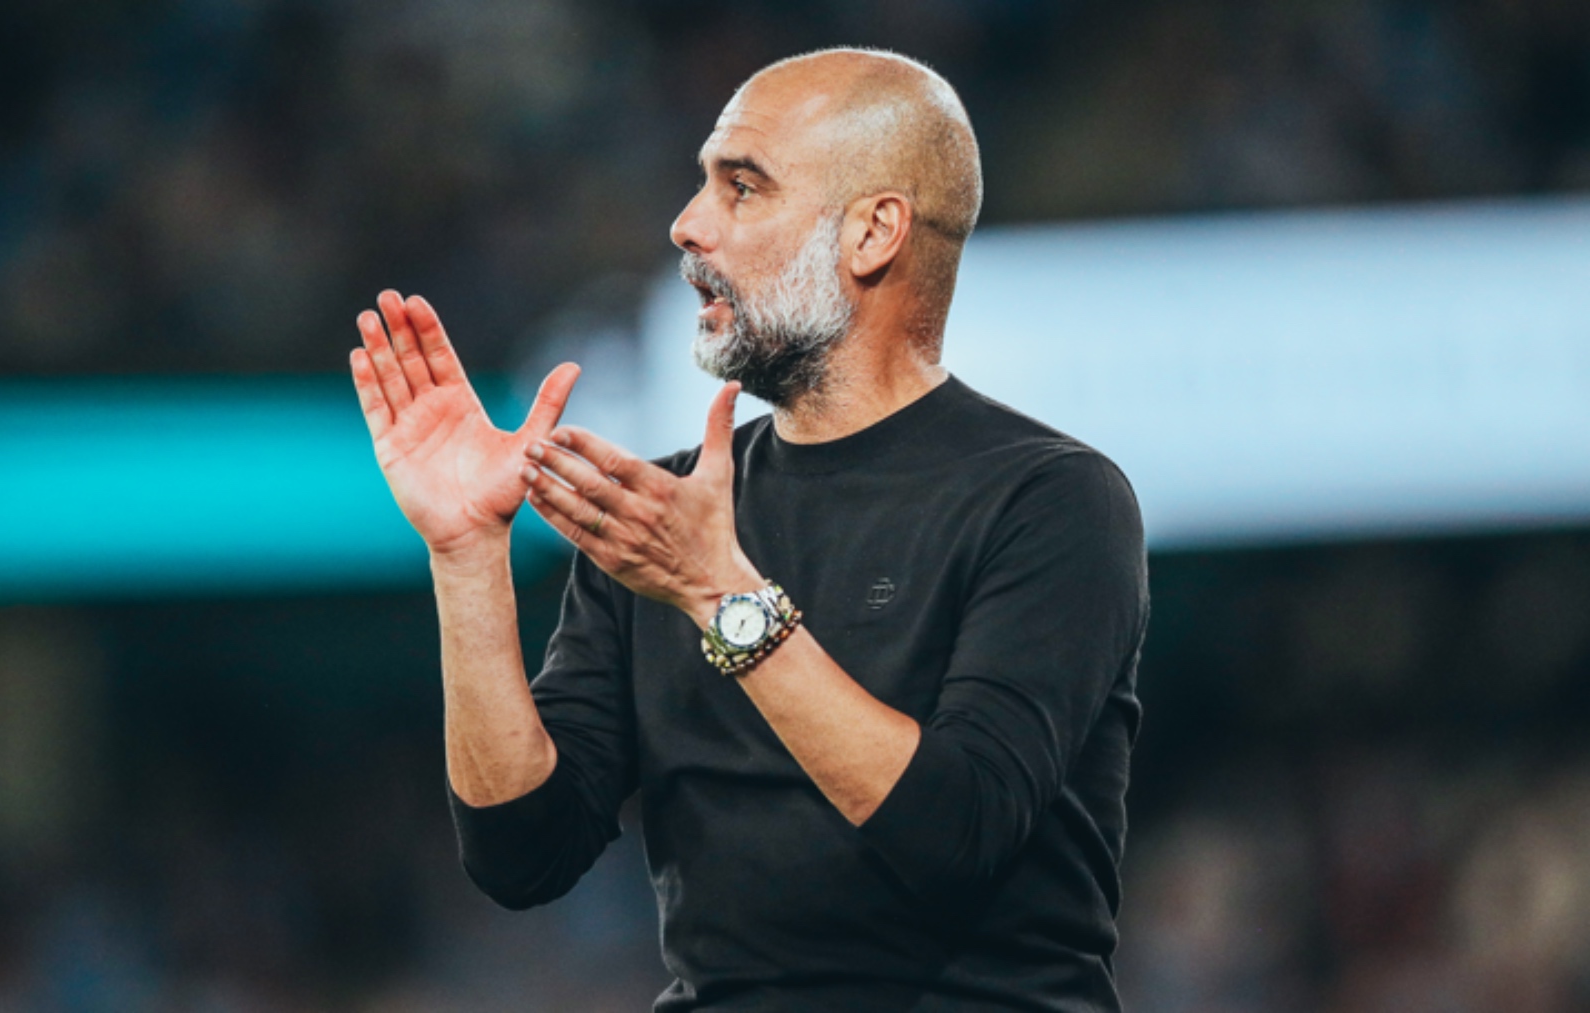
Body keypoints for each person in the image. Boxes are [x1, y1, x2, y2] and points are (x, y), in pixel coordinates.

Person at [348, 46, 1148, 1012]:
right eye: (701, 186)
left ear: (872, 233)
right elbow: (522, 853)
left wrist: (717, 593)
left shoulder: (1052, 501)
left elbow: (957, 829)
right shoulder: (668, 520)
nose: (687, 226)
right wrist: (465, 552)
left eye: (742, 187)